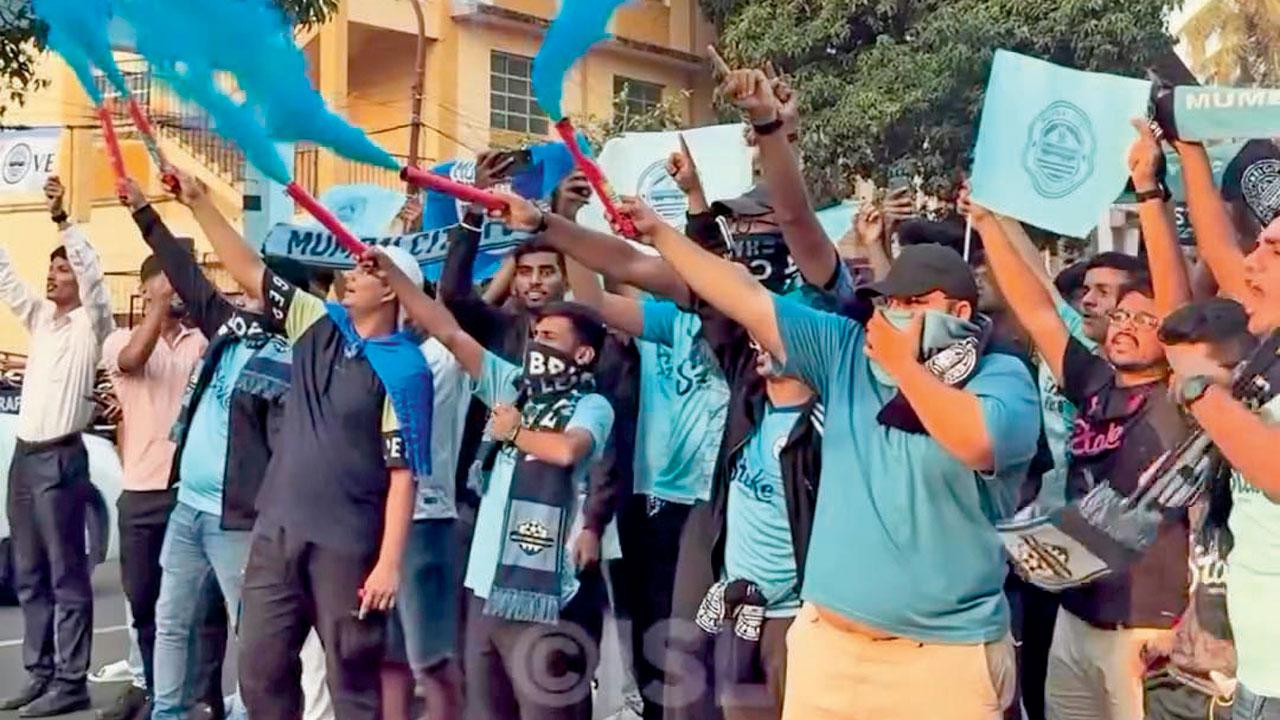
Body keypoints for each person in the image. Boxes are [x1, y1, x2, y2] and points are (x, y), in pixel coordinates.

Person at [168, 169, 433, 720]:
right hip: (276, 532)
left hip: (348, 547)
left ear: (393, 288)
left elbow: (405, 474)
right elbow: (249, 271)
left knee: (351, 683)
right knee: (260, 670)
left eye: (369, 268)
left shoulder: (405, 369)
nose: (351, 273)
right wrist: (198, 204)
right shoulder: (317, 323)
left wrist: (388, 563)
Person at [971, 134, 1193, 720]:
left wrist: (1148, 189)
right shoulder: (1092, 381)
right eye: (1120, 314)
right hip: (1075, 614)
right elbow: (1040, 312)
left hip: (1144, 632)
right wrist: (988, 222)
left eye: (1143, 319)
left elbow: (1176, 309)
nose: (1124, 325)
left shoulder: (1181, 399)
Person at [370, 245, 615, 720]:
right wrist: (396, 281)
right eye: (535, 334)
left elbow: (567, 450)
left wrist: (517, 433)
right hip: (486, 590)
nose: (537, 344)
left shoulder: (593, 406)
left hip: (544, 598)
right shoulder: (512, 385)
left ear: (582, 354)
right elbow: (447, 330)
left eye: (550, 337)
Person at [118, 177, 295, 720]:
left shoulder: (290, 354)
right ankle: (168, 710)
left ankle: (252, 711)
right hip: (187, 507)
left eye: (255, 282)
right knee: (172, 620)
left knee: (251, 628)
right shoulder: (229, 329)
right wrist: (146, 211)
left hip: (235, 519)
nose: (242, 289)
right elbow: (185, 274)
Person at [1163, 136, 1280, 720]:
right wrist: (1187, 149)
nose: (1249, 262)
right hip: (1257, 681)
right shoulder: (1274, 351)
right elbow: (1214, 250)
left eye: (1273, 249)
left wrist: (1198, 388)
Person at [0, 176, 113, 718]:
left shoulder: (92, 324)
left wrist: (64, 220)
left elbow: (94, 278)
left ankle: (72, 681)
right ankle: (40, 674)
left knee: (67, 573)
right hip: (25, 459)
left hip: (61, 458)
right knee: (29, 573)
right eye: (51, 267)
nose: (53, 275)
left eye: (62, 267)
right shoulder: (43, 319)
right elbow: (6, 277)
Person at [98, 254, 208, 720]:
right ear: (145, 290)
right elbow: (132, 361)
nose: (177, 288)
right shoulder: (121, 340)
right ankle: (154, 690)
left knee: (197, 609)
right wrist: (158, 308)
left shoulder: (202, 341)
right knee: (145, 603)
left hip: (190, 491)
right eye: (167, 281)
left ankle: (195, 697)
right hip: (141, 492)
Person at [1141, 299, 1254, 720]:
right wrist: (1180, 637)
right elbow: (1211, 565)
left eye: (1194, 382)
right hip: (1187, 682)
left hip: (1249, 690)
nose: (1178, 392)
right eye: (1172, 375)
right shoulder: (1198, 454)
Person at [380, 317, 471, 720]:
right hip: (378, 519)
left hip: (426, 520)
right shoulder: (371, 353)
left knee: (431, 658)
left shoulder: (438, 356)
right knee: (389, 656)